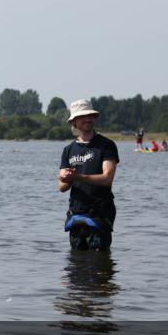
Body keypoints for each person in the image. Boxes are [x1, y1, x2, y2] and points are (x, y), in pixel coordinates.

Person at [57, 99, 119, 251]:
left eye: (90, 115)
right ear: (74, 122)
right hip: (76, 213)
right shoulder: (68, 150)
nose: (88, 119)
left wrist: (77, 177)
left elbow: (107, 178)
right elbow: (62, 187)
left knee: (99, 262)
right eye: (83, 116)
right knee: (76, 264)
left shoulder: (106, 145)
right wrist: (65, 178)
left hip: (100, 212)